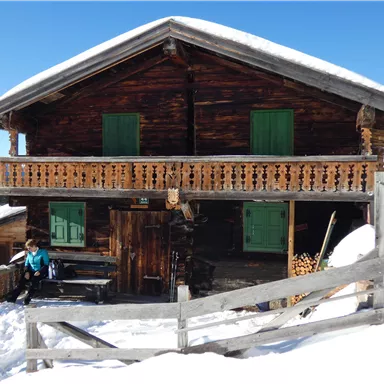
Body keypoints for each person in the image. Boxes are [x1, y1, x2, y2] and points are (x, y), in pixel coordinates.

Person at [6, 239, 50, 305]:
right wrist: (26, 272)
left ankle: (27, 298)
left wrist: (39, 272)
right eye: (28, 248)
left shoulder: (43, 252)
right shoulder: (29, 253)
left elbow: (46, 264)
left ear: (34, 246)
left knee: (34, 281)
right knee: (22, 280)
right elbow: (26, 264)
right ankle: (13, 297)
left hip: (40, 271)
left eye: (29, 248)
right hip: (31, 271)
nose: (29, 250)